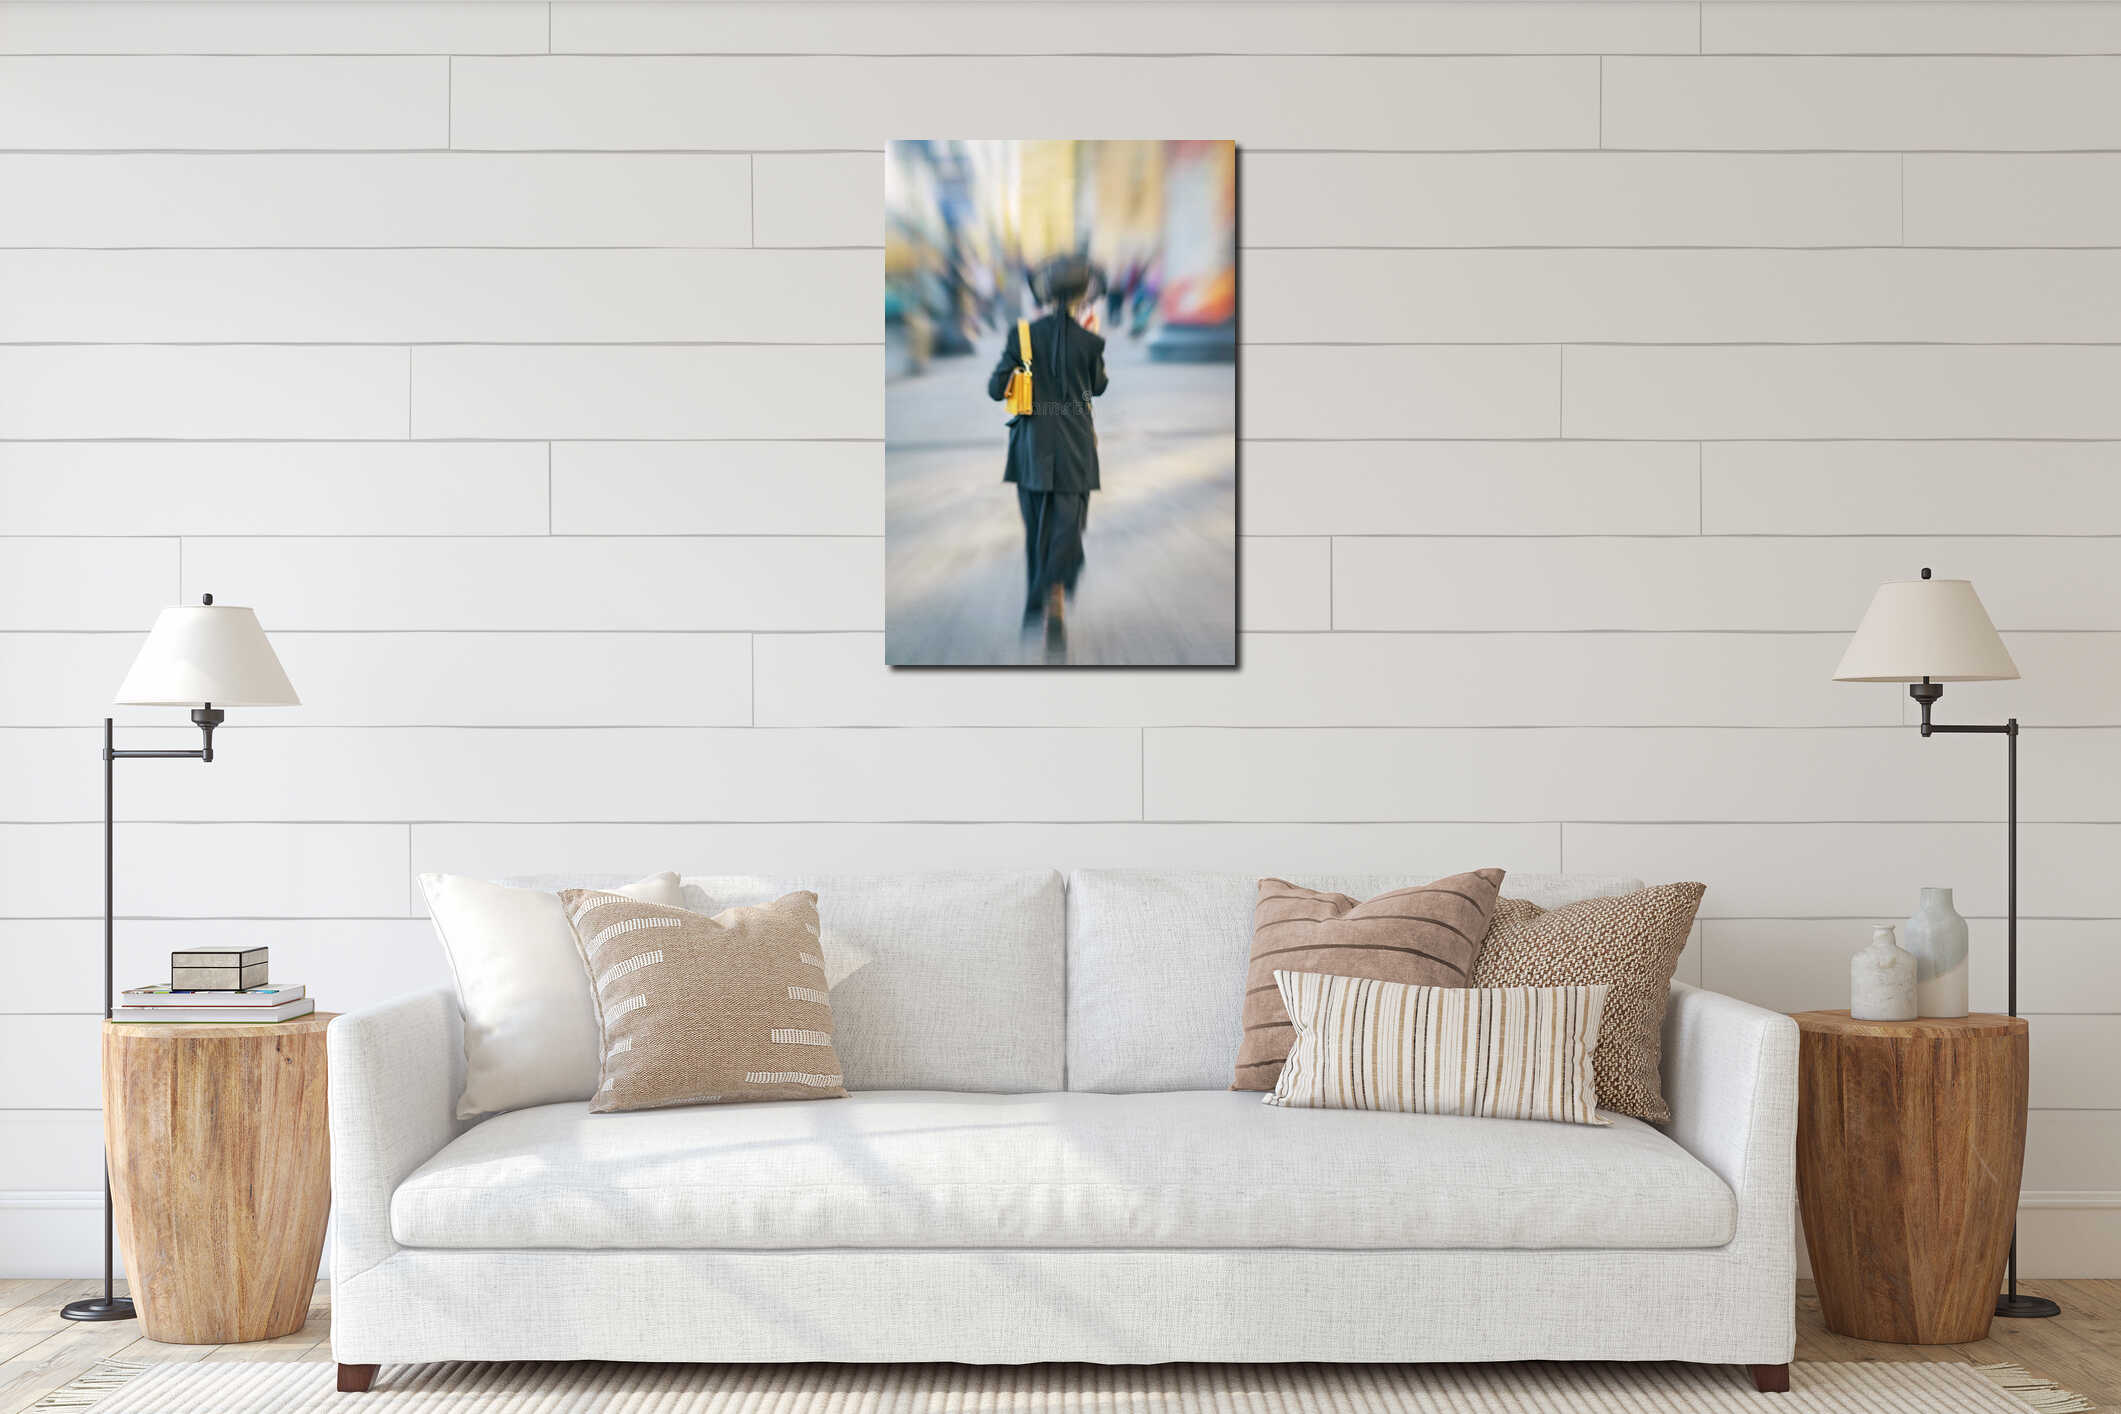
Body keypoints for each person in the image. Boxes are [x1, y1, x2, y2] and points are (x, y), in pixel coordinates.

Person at [986, 255, 1109, 659]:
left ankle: (1040, 596)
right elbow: (1098, 386)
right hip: (1076, 448)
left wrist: (1023, 372)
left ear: (1045, 292)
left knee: (1038, 527)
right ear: (1081, 294)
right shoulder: (1090, 340)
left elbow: (995, 389)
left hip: (1030, 450)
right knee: (1067, 527)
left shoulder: (1021, 336)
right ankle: (1052, 594)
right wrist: (1090, 340)